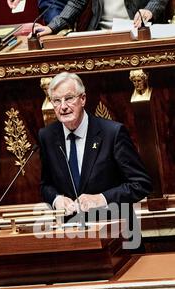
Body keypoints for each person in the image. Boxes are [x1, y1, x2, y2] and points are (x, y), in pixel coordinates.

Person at [38, 72, 152, 249]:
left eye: (69, 98)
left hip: (119, 236)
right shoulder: (47, 136)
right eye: (56, 101)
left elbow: (141, 184)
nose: (63, 107)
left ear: (82, 99)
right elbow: (46, 185)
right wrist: (56, 199)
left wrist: (102, 198)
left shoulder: (112, 133)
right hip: (73, 239)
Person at [34, 0, 169, 38]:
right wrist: (52, 27)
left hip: (138, 31)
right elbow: (77, 2)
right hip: (100, 33)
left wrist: (149, 10)